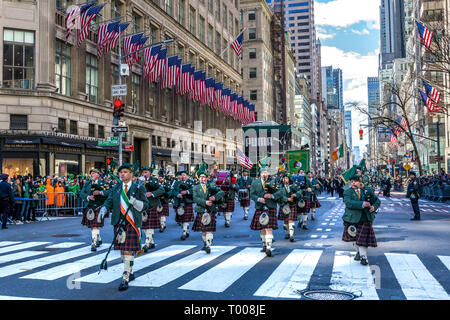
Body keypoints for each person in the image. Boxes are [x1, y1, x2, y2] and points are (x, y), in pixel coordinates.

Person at [97, 163, 149, 291]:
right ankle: (130, 271)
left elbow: (146, 205)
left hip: (132, 222)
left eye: (125, 172)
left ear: (131, 174)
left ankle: (125, 277)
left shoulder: (138, 188)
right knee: (122, 251)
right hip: (119, 222)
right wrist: (103, 210)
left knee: (128, 250)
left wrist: (136, 203)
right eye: (121, 172)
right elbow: (109, 201)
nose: (123, 174)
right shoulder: (116, 188)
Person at [342, 176, 380, 265]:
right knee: (354, 238)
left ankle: (364, 257)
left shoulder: (367, 190)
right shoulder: (347, 192)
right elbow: (348, 203)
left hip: (366, 217)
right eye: (351, 182)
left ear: (360, 182)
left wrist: (374, 207)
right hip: (352, 218)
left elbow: (377, 201)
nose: (353, 183)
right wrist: (362, 204)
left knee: (362, 239)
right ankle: (359, 252)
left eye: (355, 181)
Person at [250, 167, 282, 257]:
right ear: (260, 174)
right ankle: (264, 244)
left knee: (269, 228)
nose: (264, 174)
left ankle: (268, 247)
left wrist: (272, 196)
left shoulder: (273, 182)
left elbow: (280, 192)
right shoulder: (255, 182)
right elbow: (252, 194)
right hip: (260, 207)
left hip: (270, 207)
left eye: (266, 172)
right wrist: (258, 199)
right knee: (262, 228)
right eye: (263, 172)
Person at [192, 169, 225, 254]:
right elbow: (195, 198)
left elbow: (221, 192)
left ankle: (208, 246)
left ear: (207, 178)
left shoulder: (211, 185)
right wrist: (205, 202)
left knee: (209, 230)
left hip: (211, 210)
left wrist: (215, 197)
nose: (202, 178)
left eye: (204, 177)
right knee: (203, 230)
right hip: (201, 210)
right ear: (198, 178)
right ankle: (205, 243)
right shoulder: (196, 187)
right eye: (201, 177)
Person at [80, 168, 111, 252]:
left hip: (99, 206)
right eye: (91, 173)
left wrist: (100, 192)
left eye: (94, 173)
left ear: (98, 175)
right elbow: (82, 193)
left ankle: (93, 243)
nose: (92, 175)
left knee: (95, 225)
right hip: (90, 206)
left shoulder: (103, 183)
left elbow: (109, 192)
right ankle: (98, 239)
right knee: (92, 225)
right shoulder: (87, 183)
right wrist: (88, 197)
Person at [140, 166, 165, 252]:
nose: (144, 174)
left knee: (149, 226)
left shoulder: (154, 180)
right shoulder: (139, 181)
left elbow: (162, 190)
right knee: (144, 227)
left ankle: (147, 244)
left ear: (150, 173)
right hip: (142, 206)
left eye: (146, 172)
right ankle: (152, 242)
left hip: (152, 205)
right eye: (143, 172)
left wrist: (152, 193)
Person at [277, 173, 303, 242]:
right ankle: (287, 233)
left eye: (287, 178)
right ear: (282, 179)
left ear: (289, 179)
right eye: (284, 178)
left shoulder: (292, 186)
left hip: (292, 205)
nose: (286, 180)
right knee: (285, 221)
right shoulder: (279, 187)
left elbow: (300, 191)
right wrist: (287, 199)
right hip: (283, 205)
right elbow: (278, 195)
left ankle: (291, 235)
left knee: (291, 220)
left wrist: (295, 194)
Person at [170, 170, 195, 240]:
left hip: (187, 202)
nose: (182, 176)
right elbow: (173, 190)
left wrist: (187, 192)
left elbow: (194, 189)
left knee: (185, 219)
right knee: (182, 219)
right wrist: (177, 194)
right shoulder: (177, 182)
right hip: (179, 203)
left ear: (187, 175)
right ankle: (186, 229)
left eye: (184, 175)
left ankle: (184, 232)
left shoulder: (191, 182)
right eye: (181, 175)